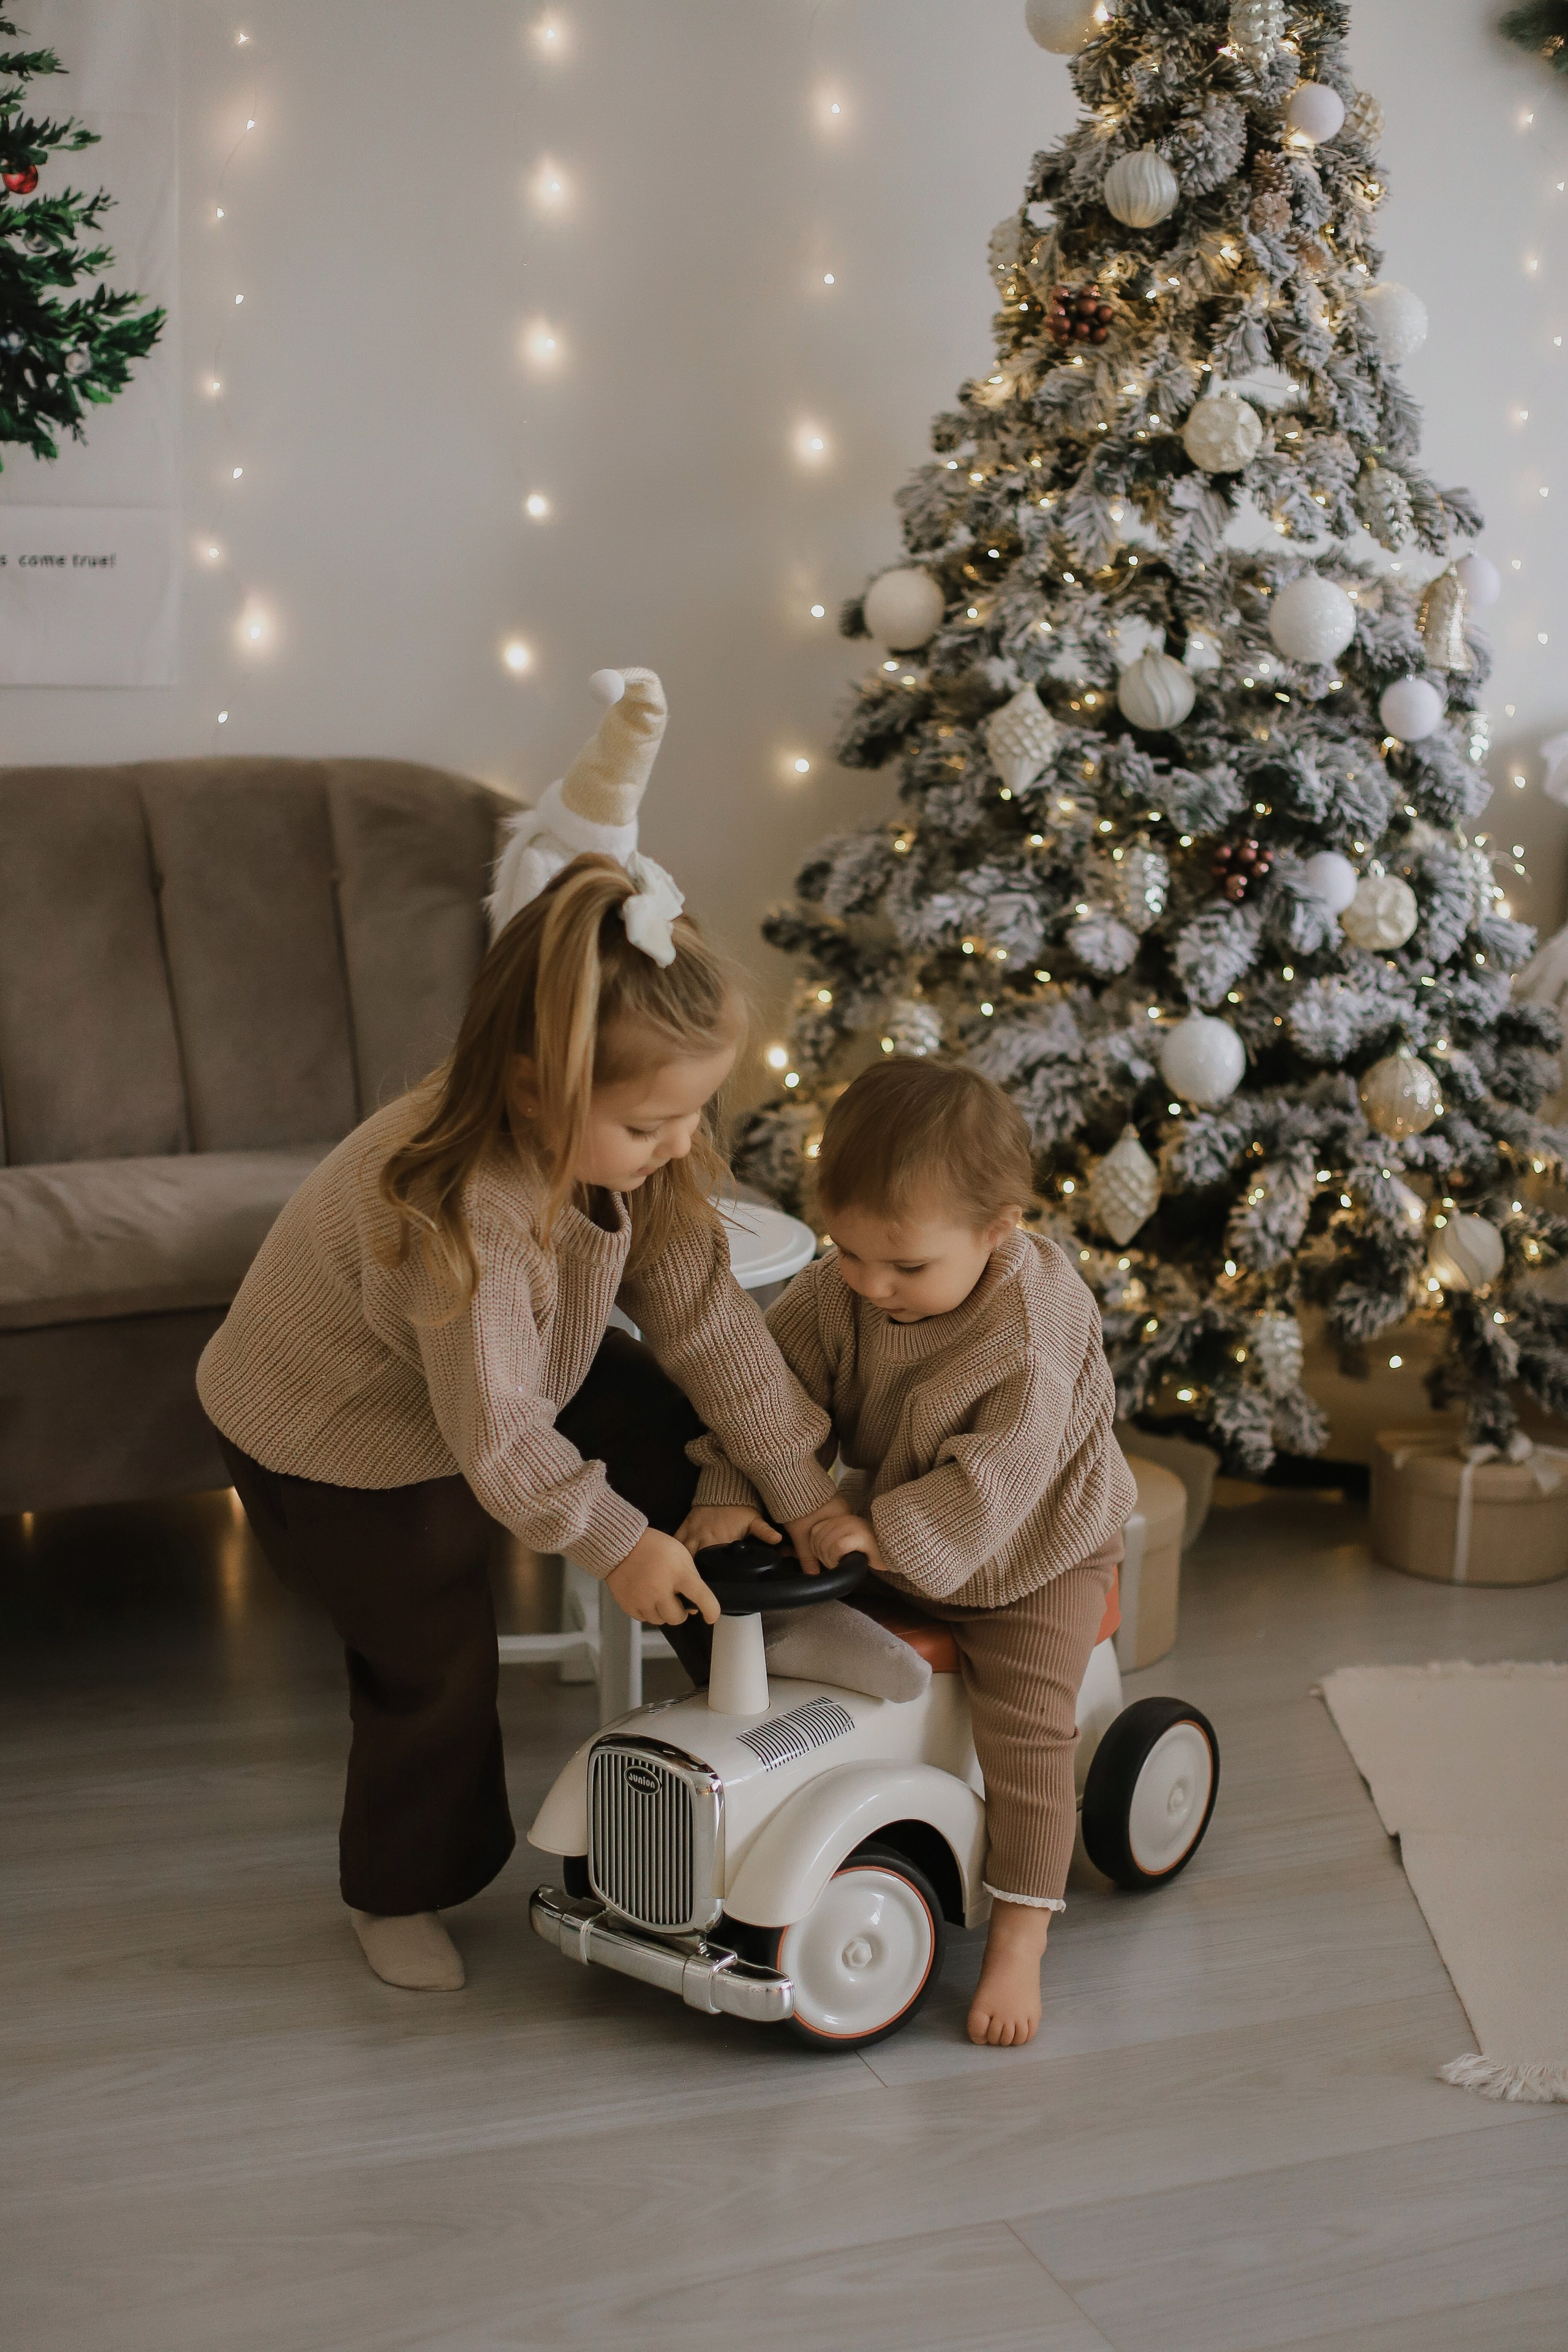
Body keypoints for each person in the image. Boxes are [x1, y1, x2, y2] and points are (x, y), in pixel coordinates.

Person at [198, 852, 846, 1992]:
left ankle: (765, 1710)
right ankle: (400, 1888)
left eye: (698, 1112)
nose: (686, 1144)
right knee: (433, 1653)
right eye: (655, 1123)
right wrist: (615, 1545)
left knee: (661, 1418)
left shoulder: (642, 1158)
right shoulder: (457, 1213)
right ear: (537, 1089)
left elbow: (712, 1326)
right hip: (329, 1434)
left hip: (506, 1365)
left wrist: (800, 1489)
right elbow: (497, 1437)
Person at [682, 1058, 1137, 2049]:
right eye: (851, 1253)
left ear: (998, 1228)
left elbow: (1003, 1479)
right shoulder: (839, 1295)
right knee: (762, 1610)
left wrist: (883, 1534)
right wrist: (725, 1493)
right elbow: (769, 1399)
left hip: (1038, 1547)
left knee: (1026, 1728)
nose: (873, 1285)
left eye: (906, 1267)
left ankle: (1021, 1930)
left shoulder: (1028, 1330)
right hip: (895, 1515)